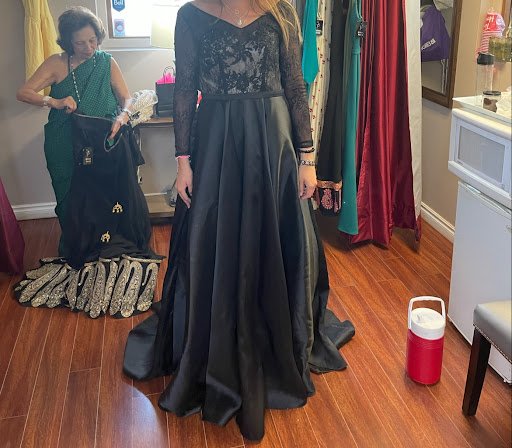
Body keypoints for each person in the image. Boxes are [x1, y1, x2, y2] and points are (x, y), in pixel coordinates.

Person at [123, 0, 355, 440]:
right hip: (216, 142)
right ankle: (214, 345)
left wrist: (307, 157)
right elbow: (185, 89)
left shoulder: (281, 11)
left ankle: (275, 340)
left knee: (275, 242)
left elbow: (295, 85)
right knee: (214, 242)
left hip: (273, 142)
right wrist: (183, 161)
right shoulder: (190, 15)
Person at [14, 7, 162, 318]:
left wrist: (123, 117)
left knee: (104, 196)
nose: (89, 48)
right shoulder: (56, 63)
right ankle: (77, 249)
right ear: (68, 41)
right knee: (69, 196)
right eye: (81, 43)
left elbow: (126, 99)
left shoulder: (107, 62)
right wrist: (54, 100)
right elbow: (24, 92)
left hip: (102, 140)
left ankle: (104, 249)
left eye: (93, 40)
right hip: (64, 142)